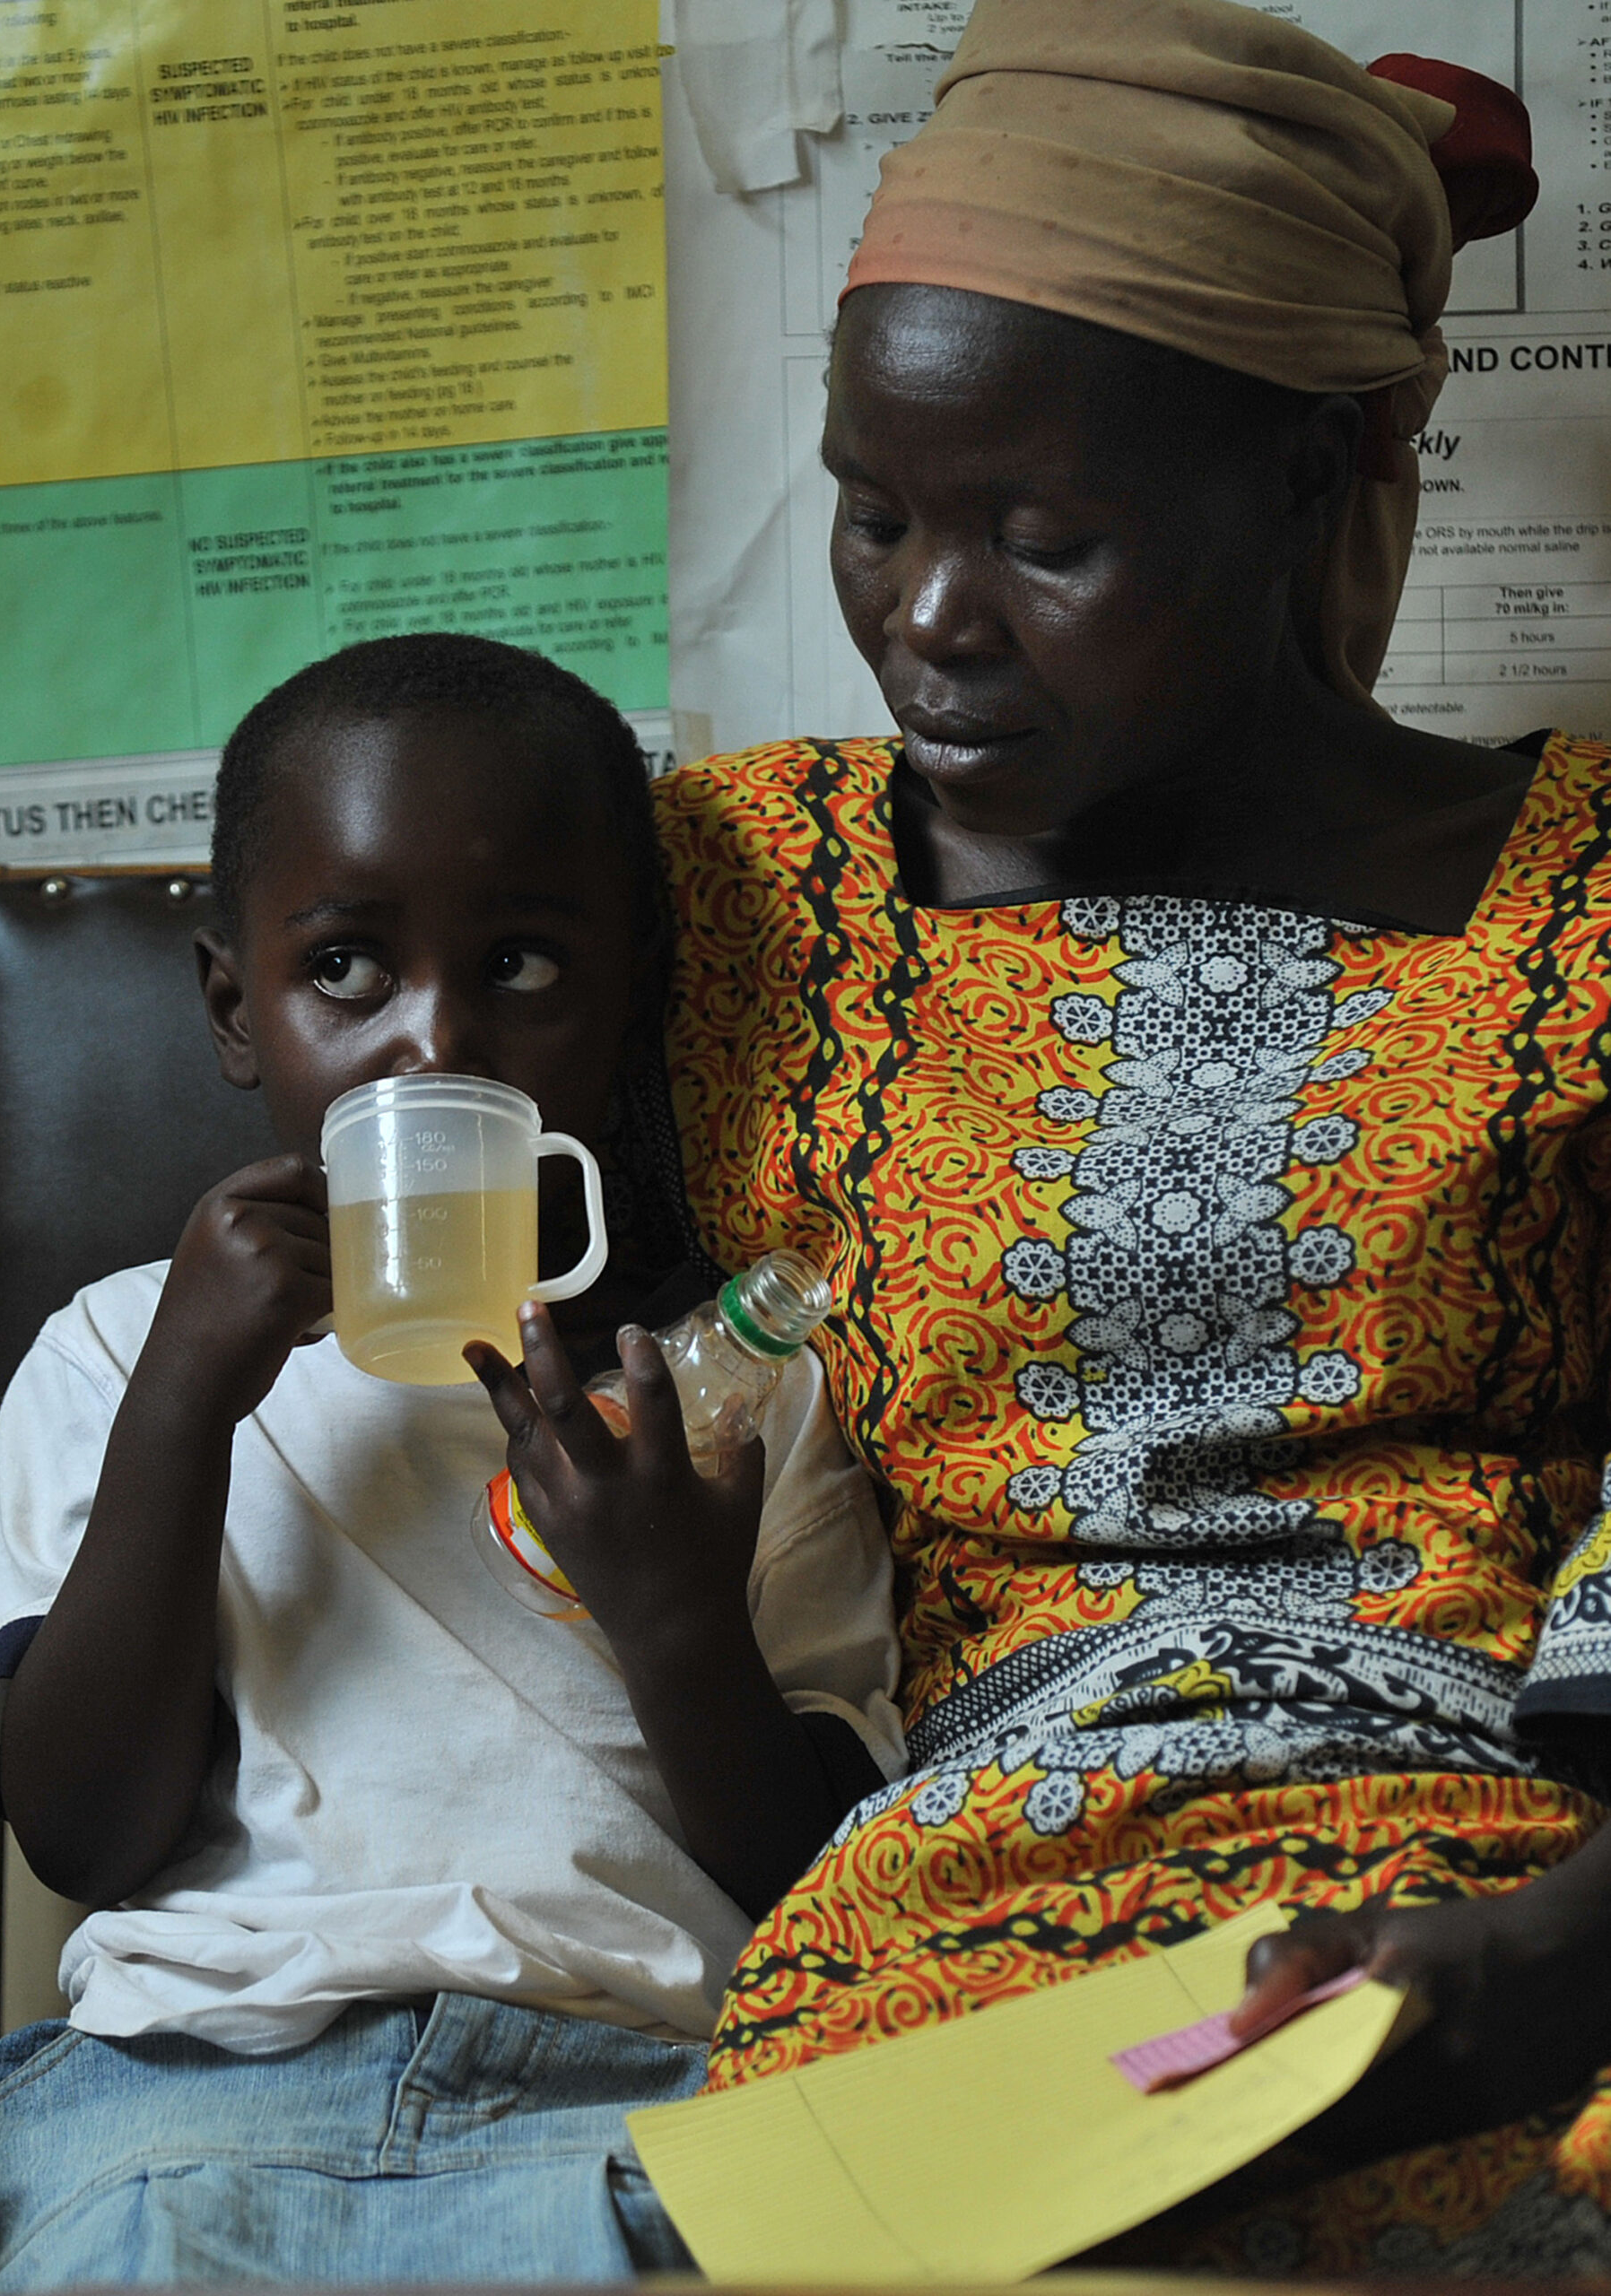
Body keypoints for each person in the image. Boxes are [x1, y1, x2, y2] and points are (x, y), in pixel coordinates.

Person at [654, 0, 1611, 2271]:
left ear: (1314, 474)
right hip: (968, 1895)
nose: (926, 620)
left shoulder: (1579, 906)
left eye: (1042, 537)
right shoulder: (731, 900)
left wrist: (1568, 1941)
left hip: (1503, 1839)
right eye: (874, 518)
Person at [0, 633, 903, 2291]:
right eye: (347, 972)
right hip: (191, 2092)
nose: (434, 1041)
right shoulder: (115, 1355)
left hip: (640, 2093)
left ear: (630, 1001)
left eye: (520, 966)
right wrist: (184, 1408)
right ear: (238, 1010)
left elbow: (810, 1890)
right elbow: (85, 1835)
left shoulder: (731, 1393)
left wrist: (670, 1612)